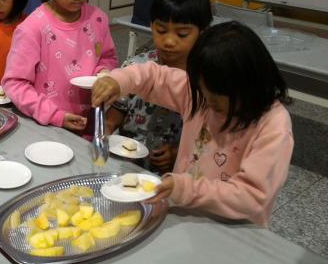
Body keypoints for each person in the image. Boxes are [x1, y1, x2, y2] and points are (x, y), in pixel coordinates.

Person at [92, 21, 293, 226]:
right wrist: (118, 80)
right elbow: (154, 76)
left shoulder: (273, 126)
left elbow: (251, 196)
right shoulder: (199, 94)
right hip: (184, 216)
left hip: (234, 230)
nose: (206, 101)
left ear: (247, 87)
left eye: (216, 100)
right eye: (203, 92)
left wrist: (185, 188)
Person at [1, 0, 118, 134]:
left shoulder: (98, 19)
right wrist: (55, 115)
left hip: (89, 123)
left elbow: (107, 58)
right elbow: (15, 83)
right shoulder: (33, 27)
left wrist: (104, 74)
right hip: (48, 127)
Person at [110, 0, 213, 173]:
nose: (169, 41)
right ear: (151, 25)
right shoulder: (136, 66)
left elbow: (209, 137)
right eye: (161, 30)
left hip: (173, 173)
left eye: (182, 34)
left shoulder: (204, 81)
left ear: (203, 32)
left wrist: (176, 152)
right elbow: (115, 114)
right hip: (125, 163)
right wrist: (103, 133)